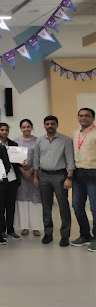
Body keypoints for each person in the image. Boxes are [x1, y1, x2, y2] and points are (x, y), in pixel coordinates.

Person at [33, 116, 75, 247]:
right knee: (46, 206)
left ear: (57, 125)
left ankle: (65, 235)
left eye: (52, 124)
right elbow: (36, 159)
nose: (49, 126)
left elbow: (70, 161)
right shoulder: (39, 140)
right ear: (44, 125)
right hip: (43, 176)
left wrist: (69, 178)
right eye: (47, 124)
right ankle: (48, 233)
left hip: (60, 176)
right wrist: (35, 176)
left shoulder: (66, 140)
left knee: (63, 206)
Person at [71, 108, 96, 252]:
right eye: (80, 115)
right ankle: (85, 235)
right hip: (78, 174)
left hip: (93, 173)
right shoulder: (75, 133)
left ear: (93, 118)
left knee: (94, 208)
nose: (83, 118)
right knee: (76, 206)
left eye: (87, 116)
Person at [0, 123, 22, 241]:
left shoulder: (13, 145)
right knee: (0, 206)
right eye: (2, 130)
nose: (4, 132)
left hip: (12, 178)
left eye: (6, 130)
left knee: (11, 206)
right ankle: (1, 230)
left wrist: (21, 161)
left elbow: (17, 161)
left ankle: (11, 229)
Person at [13, 119, 41, 237]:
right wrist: (23, 172)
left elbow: (39, 158)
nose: (26, 129)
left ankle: (36, 227)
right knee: (22, 200)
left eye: (28, 127)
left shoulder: (38, 141)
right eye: (24, 127)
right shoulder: (16, 141)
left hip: (35, 174)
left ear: (32, 127)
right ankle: (24, 227)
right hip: (21, 175)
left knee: (35, 201)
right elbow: (14, 159)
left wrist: (32, 171)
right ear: (20, 128)